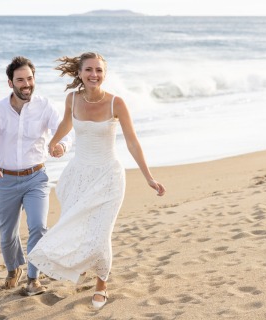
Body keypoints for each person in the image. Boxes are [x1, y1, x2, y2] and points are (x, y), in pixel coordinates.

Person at [28, 52, 166, 309]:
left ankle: (102, 283)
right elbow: (67, 124)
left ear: (105, 74)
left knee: (101, 234)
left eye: (99, 70)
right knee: (78, 227)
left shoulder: (117, 103)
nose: (94, 75)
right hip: (78, 175)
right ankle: (79, 267)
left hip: (108, 176)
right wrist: (54, 142)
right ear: (79, 73)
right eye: (89, 70)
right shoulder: (72, 99)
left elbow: (133, 142)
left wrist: (148, 176)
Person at [0, 56, 72, 296]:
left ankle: (33, 278)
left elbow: (65, 131)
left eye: (29, 78)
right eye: (20, 80)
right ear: (10, 83)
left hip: (36, 177)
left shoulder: (45, 105)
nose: (26, 84)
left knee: (38, 226)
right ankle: (13, 268)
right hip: (4, 180)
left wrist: (61, 145)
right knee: (8, 235)